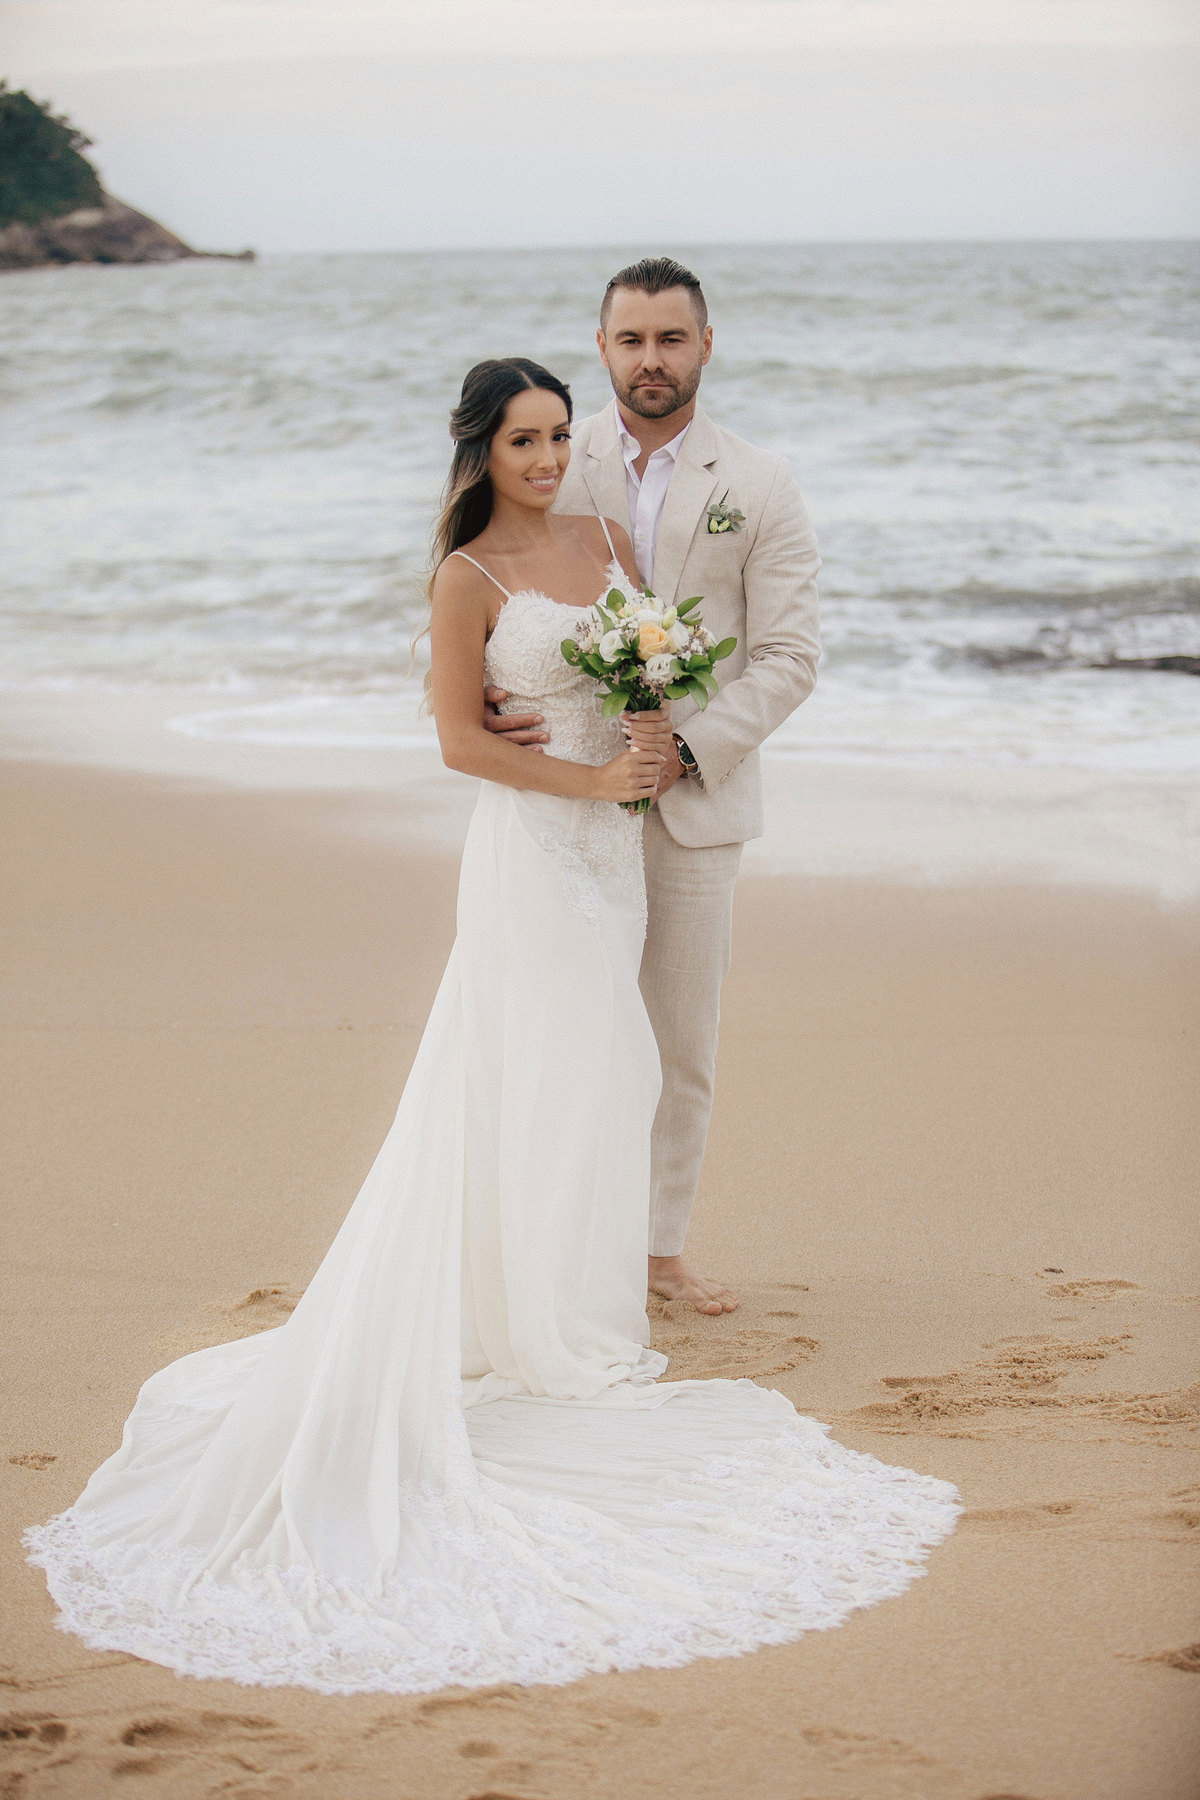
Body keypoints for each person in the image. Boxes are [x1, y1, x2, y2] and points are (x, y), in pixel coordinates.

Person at [27, 358, 957, 1697]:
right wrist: (582, 772)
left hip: (618, 852)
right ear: (478, 450)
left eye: (557, 434)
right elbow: (459, 741)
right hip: (533, 849)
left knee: (603, 1077)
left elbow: (654, 662)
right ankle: (531, 1323)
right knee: (553, 1068)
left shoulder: (605, 535)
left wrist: (648, 734)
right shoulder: (469, 574)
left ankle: (560, 1294)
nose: (546, 455)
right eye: (524, 438)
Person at [484, 258, 821, 1316]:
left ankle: (656, 1254)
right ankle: (547, 1246)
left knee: (678, 1043)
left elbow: (791, 656)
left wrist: (691, 749)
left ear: (706, 345)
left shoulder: (759, 483)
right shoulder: (545, 453)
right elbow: (471, 581)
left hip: (695, 806)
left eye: (672, 339)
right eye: (631, 341)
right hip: (562, 802)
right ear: (602, 348)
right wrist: (494, 698)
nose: (651, 360)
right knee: (560, 1031)